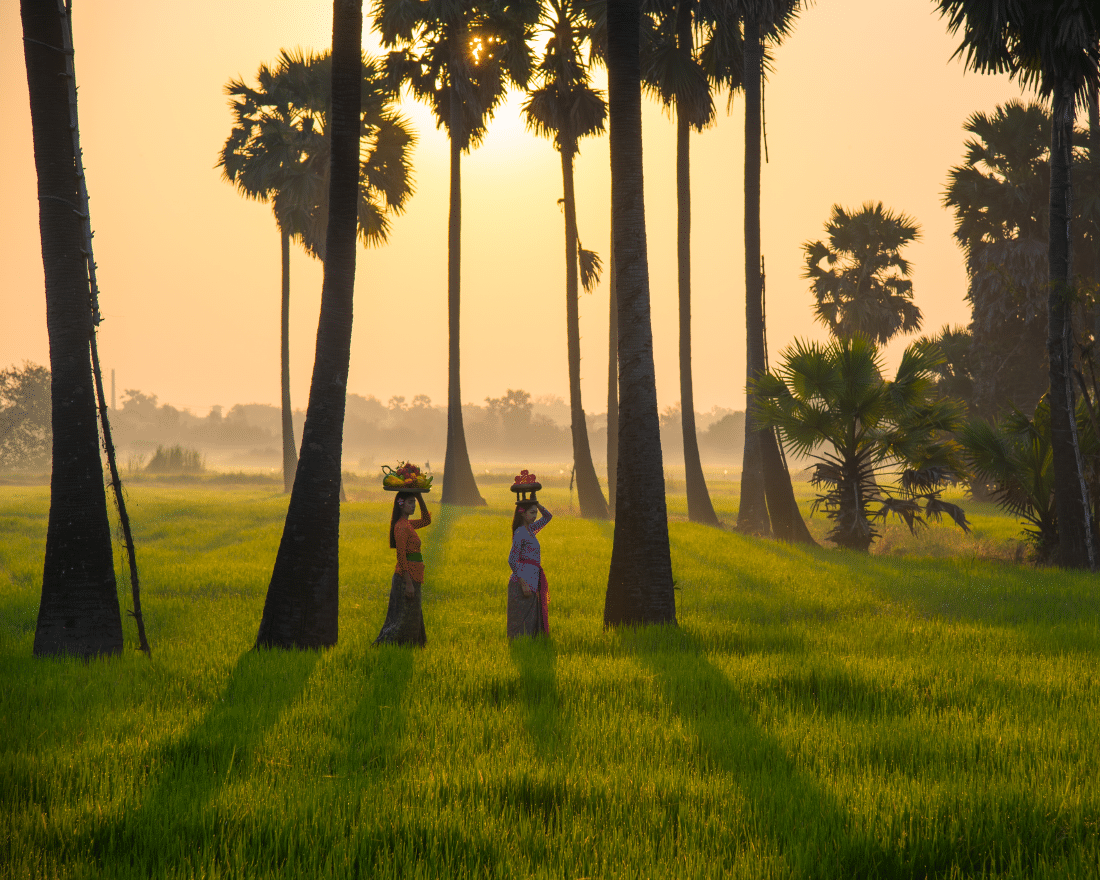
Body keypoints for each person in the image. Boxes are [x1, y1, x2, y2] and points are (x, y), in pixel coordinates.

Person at [374, 491, 431, 646]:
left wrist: (420, 497)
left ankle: (413, 645)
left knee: (413, 615)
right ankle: (385, 645)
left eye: (414, 503)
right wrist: (408, 583)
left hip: (415, 574)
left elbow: (426, 520)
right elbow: (401, 555)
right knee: (402, 617)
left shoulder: (408, 525)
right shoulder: (400, 527)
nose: (413, 506)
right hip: (406, 577)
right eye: (410, 502)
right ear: (401, 504)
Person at [507, 498, 552, 639]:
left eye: (535, 513)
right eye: (532, 512)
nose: (535, 516)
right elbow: (512, 559)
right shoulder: (521, 532)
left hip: (532, 580)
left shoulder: (530, 529)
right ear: (522, 513)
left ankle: (530, 650)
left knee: (531, 622)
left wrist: (537, 503)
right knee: (521, 624)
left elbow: (548, 517)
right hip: (522, 583)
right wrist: (523, 582)